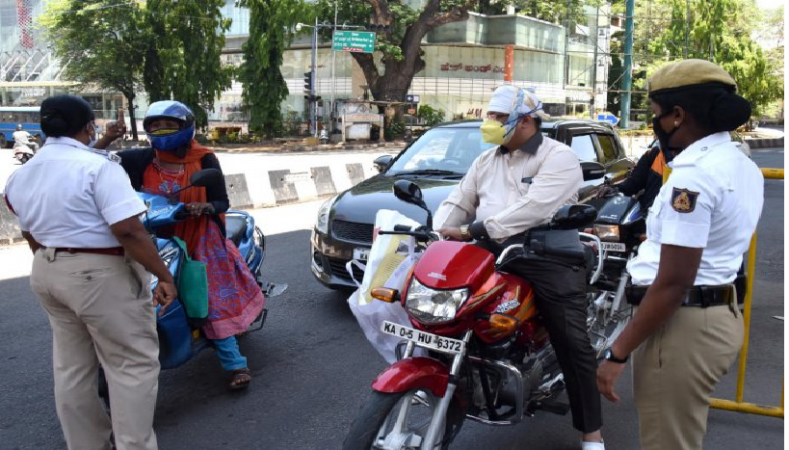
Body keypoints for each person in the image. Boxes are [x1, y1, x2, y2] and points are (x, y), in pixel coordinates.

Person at [596, 59, 764, 450]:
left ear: (677, 115)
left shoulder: (692, 176)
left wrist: (617, 352)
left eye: (655, 114)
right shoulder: (740, 164)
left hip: (680, 326)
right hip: (713, 315)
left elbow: (673, 282)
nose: (654, 124)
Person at [435, 86, 605, 450]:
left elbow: (536, 207)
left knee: (572, 343)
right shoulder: (486, 160)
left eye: (497, 118)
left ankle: (592, 434)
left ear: (526, 122)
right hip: (488, 251)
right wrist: (440, 230)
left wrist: (470, 230)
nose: (489, 124)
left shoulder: (557, 156)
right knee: (438, 309)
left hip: (544, 256)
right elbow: (459, 200)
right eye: (489, 116)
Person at [3, 95, 177, 450]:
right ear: (87, 127)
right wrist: (165, 275)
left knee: (72, 369)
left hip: (48, 271)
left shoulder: (22, 174)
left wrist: (56, 262)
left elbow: (29, 231)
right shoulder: (100, 167)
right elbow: (129, 231)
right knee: (131, 367)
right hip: (101, 275)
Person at [99, 100, 266, 390]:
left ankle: (234, 363)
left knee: (208, 299)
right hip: (155, 235)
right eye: (155, 127)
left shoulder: (204, 159)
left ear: (186, 128)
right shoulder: (141, 159)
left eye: (168, 126)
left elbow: (222, 201)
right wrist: (108, 138)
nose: (161, 132)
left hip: (200, 235)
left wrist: (204, 207)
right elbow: (94, 162)